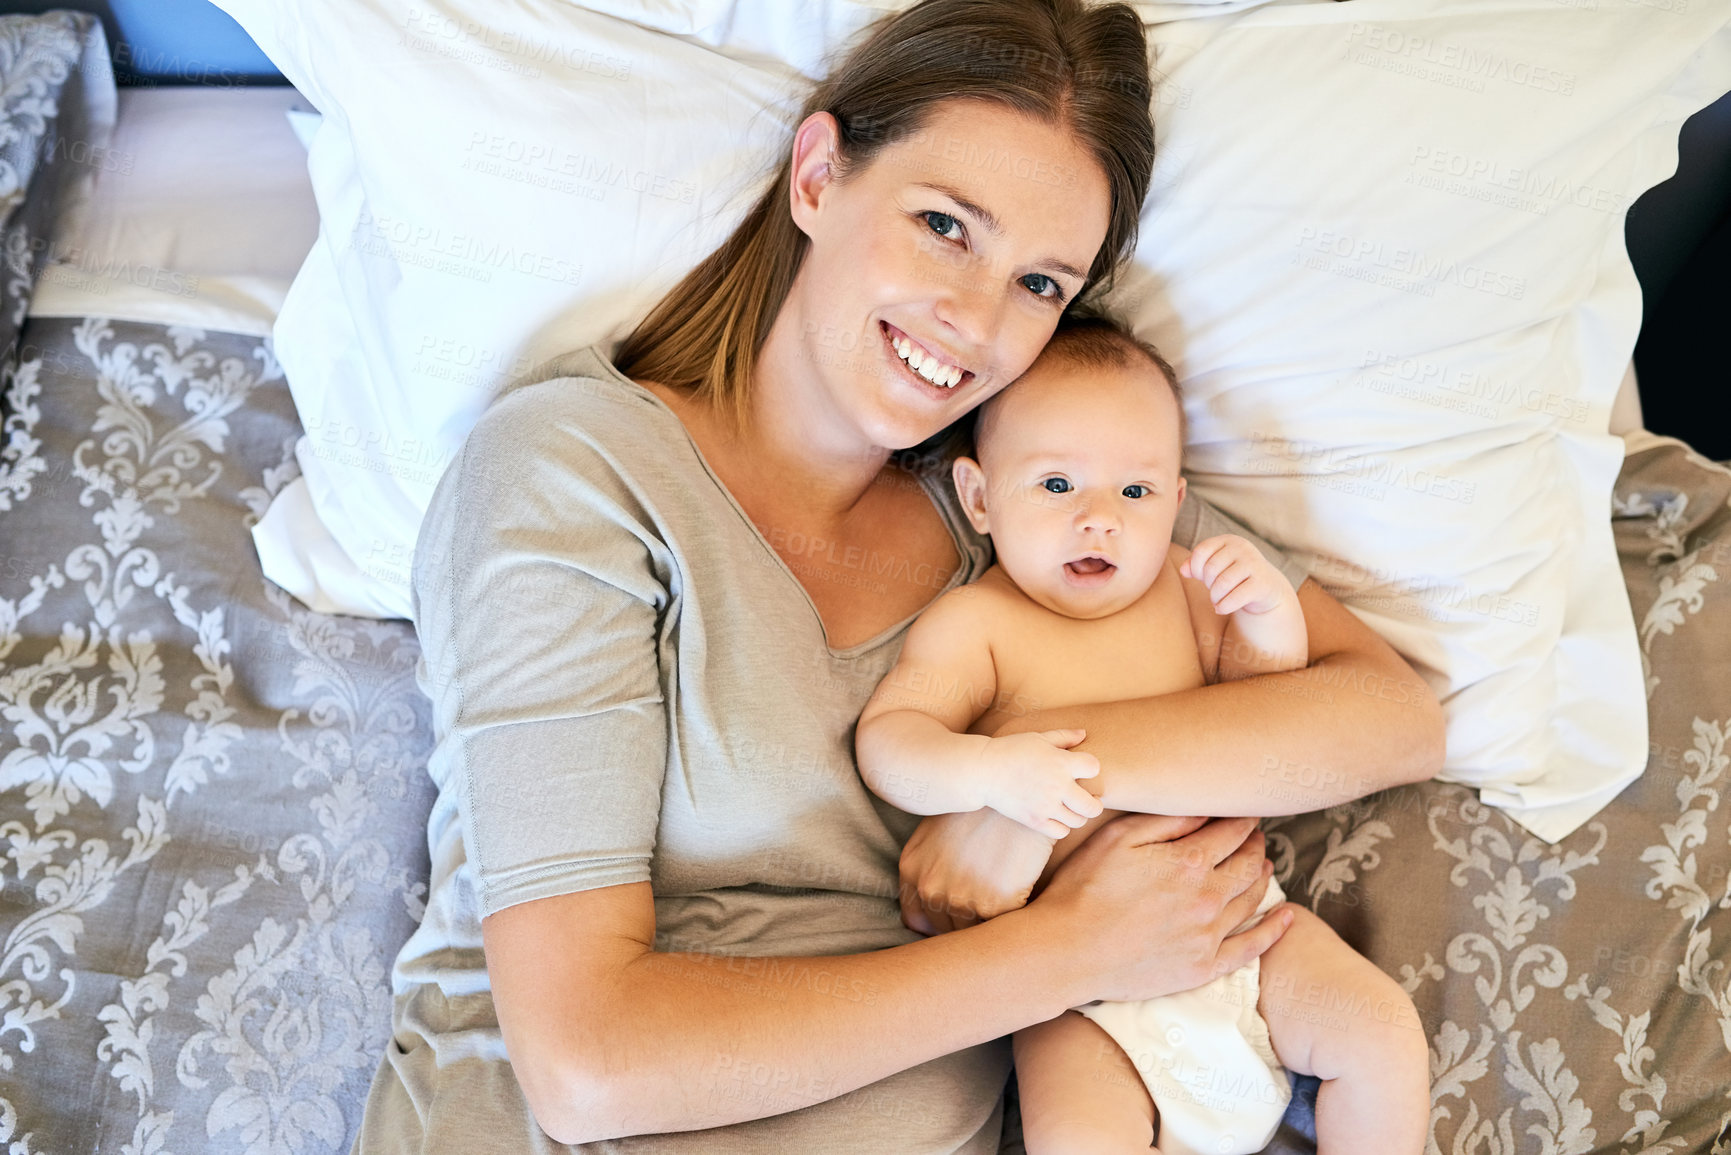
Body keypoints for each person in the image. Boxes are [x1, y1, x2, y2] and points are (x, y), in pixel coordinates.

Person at [352, 0, 1447, 1150]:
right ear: (819, 177)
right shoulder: (578, 472)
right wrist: (1069, 947)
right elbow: (589, 1065)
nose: (975, 320)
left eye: (1041, 285)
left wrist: (1040, 790)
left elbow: (1388, 715)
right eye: (944, 225)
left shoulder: (1026, 497)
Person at [855, 316, 1430, 1154]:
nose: (1099, 521)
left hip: (1245, 932)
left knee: (1379, 1028)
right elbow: (891, 744)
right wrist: (986, 771)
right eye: (1056, 486)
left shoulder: (1185, 595)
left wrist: (1266, 616)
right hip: (1083, 996)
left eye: (1134, 492)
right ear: (980, 498)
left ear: (1176, 501)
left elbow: (1258, 717)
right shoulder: (976, 624)